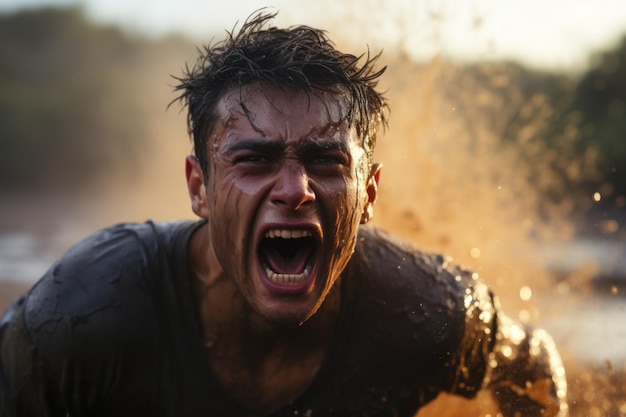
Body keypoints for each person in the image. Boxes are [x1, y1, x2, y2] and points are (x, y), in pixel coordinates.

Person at [0, 11, 567, 417]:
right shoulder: (86, 313)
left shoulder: (426, 306)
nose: (295, 189)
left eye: (325, 160)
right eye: (255, 159)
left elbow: (531, 364)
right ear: (199, 186)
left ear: (368, 193)